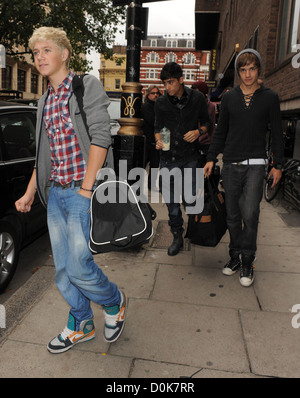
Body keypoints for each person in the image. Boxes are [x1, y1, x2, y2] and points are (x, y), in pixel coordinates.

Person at [15, 27, 127, 353]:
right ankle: (82, 322)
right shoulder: (44, 101)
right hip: (56, 195)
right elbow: (43, 157)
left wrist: (86, 191)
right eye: (36, 53)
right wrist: (29, 192)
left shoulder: (84, 86)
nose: (39, 57)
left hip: (81, 190)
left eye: (46, 50)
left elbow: (101, 138)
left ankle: (114, 300)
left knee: (79, 267)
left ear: (64, 54)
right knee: (63, 273)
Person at [204, 49, 284, 287]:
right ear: (238, 72)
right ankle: (235, 256)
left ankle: (248, 259)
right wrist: (211, 157)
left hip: (256, 166)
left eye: (252, 69)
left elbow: (277, 134)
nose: (248, 74)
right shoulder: (229, 98)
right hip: (231, 165)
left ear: (258, 69)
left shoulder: (270, 97)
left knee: (250, 214)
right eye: (243, 69)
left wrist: (277, 165)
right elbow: (221, 132)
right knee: (232, 216)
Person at [155, 62, 210, 256]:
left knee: (190, 198)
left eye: (170, 82)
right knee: (171, 203)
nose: (167, 87)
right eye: (164, 83)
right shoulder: (161, 102)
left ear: (181, 80)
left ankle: (195, 228)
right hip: (168, 158)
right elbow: (157, 128)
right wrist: (158, 141)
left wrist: (198, 131)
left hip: (190, 157)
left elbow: (207, 123)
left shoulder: (197, 98)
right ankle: (177, 235)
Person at [141, 85, 162, 190]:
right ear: (148, 95)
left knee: (155, 164)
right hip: (147, 140)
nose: (155, 95)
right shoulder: (146, 106)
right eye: (152, 93)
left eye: (157, 93)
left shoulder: (159, 106)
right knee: (143, 164)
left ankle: (152, 185)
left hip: (156, 141)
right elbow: (153, 121)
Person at [191, 81, 216, 162]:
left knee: (205, 171)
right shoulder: (190, 104)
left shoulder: (211, 106)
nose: (195, 93)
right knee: (193, 170)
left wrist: (212, 143)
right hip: (192, 141)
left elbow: (212, 124)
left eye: (197, 91)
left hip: (206, 143)